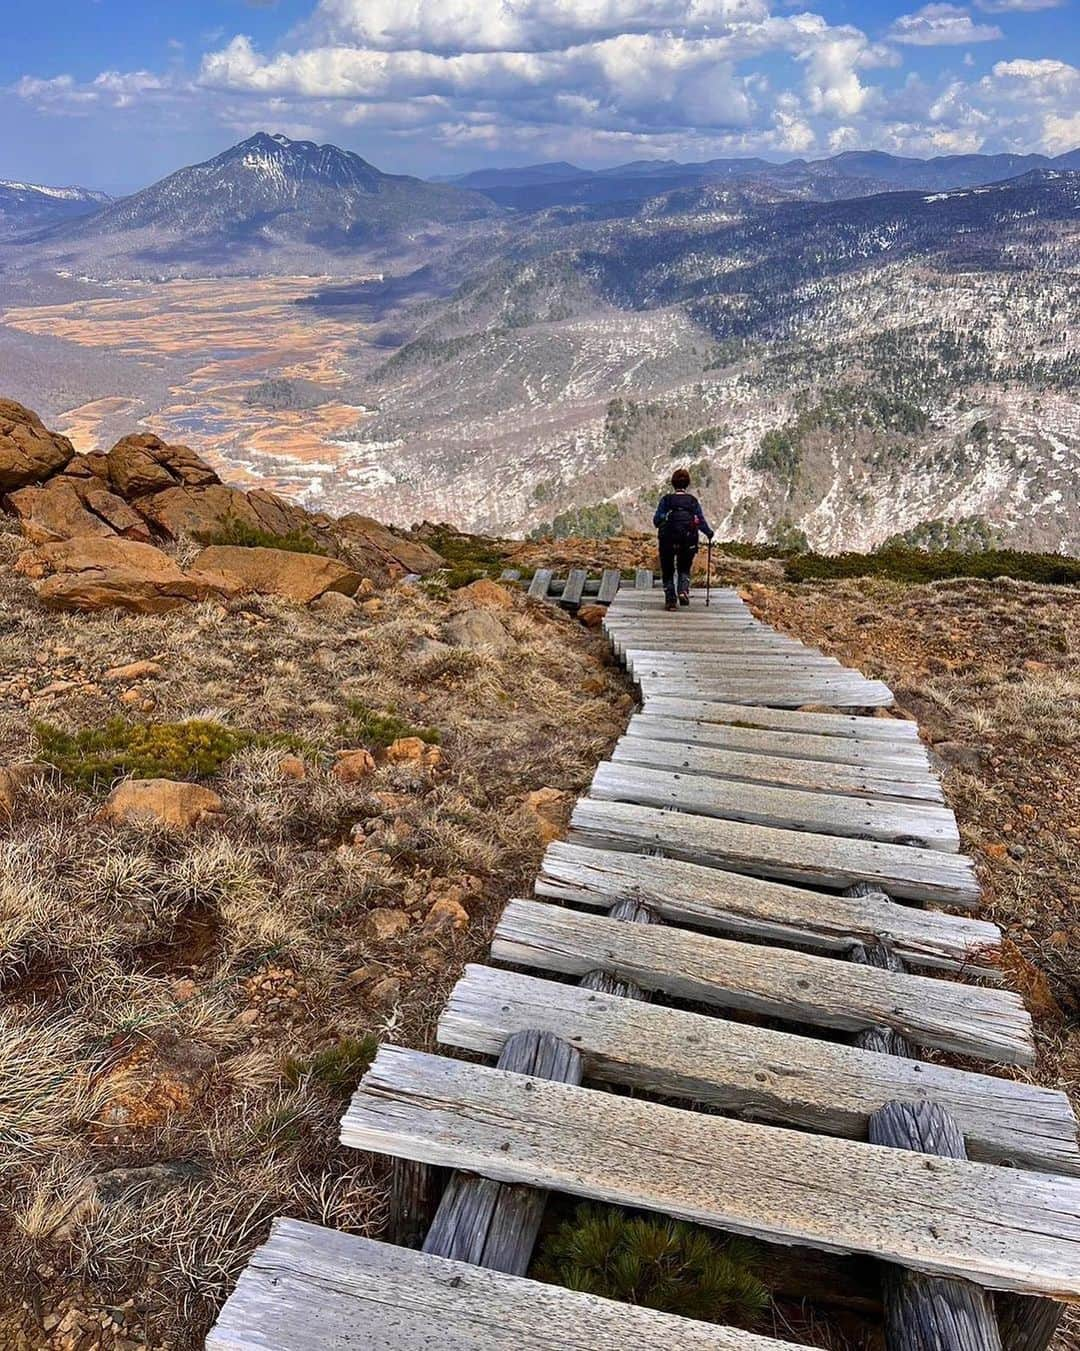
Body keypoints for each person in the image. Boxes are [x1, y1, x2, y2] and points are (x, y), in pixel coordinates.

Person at [653, 467, 714, 611]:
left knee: (667, 569)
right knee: (684, 567)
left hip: (667, 540)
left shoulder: (666, 500)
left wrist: (665, 518)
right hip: (688, 540)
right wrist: (709, 532)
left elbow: (656, 521)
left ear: (673, 483)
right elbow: (700, 521)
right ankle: (683, 590)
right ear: (687, 484)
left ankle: (670, 600)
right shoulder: (692, 501)